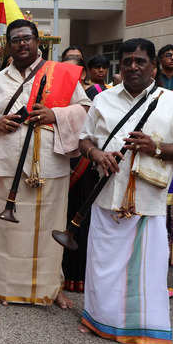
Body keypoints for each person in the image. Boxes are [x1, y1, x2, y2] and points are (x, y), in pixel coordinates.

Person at [79, 38, 173, 344]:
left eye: (140, 61)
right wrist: (96, 155)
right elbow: (84, 140)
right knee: (102, 263)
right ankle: (99, 320)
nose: (133, 66)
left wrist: (155, 148)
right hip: (107, 196)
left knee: (147, 268)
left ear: (153, 66)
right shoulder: (103, 101)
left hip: (148, 199)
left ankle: (143, 327)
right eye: (128, 61)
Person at [0, 19, 90, 308]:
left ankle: (51, 288)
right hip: (8, 165)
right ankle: (4, 287)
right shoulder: (0, 80)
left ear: (38, 41)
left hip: (50, 166)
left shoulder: (60, 74)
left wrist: (56, 115)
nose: (22, 44)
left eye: (27, 38)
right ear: (9, 46)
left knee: (48, 229)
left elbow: (87, 109)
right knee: (8, 232)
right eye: (16, 40)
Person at [62, 54, 112, 293]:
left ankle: (80, 273)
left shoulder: (100, 96)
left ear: (82, 72)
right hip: (62, 162)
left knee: (83, 221)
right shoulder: (57, 95)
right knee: (62, 217)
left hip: (87, 167)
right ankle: (62, 270)